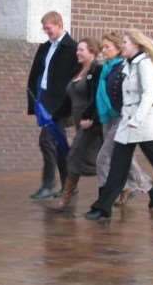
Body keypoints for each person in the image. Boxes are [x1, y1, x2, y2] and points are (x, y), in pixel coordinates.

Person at [85, 29, 153, 221]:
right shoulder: (128, 65)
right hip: (127, 122)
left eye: (125, 43)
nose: (122, 45)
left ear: (135, 44)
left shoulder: (144, 64)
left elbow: (149, 95)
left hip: (143, 124)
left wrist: (137, 120)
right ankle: (103, 208)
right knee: (118, 166)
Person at [95, 32, 153, 208]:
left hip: (121, 118)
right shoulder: (106, 67)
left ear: (118, 49)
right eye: (102, 47)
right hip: (107, 117)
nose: (103, 50)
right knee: (124, 160)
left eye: (107, 47)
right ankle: (150, 187)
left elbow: (147, 94)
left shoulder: (124, 67)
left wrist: (132, 114)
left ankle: (103, 202)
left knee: (103, 158)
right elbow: (101, 93)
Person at [27, 11, 79, 200]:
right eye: (44, 28)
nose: (46, 31)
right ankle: (69, 185)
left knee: (47, 141)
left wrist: (70, 102)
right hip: (44, 101)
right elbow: (38, 72)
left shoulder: (72, 48)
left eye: (48, 28)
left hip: (60, 105)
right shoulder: (45, 47)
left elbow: (77, 77)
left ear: (59, 24)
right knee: (58, 145)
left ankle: (49, 185)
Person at [54, 37, 103, 209]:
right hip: (80, 123)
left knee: (74, 156)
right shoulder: (79, 71)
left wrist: (92, 118)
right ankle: (126, 186)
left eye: (81, 50)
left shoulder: (97, 70)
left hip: (91, 123)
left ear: (92, 52)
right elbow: (70, 99)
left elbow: (97, 97)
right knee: (101, 160)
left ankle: (65, 199)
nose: (77, 52)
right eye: (77, 49)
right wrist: (56, 115)